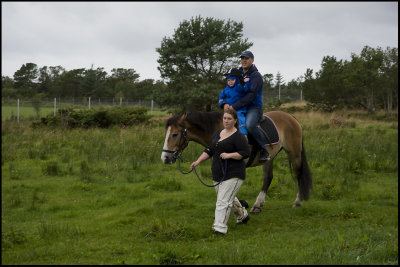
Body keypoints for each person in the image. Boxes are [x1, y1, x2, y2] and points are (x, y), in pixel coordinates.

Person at [190, 109, 250, 235]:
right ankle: (242, 215)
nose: (226, 121)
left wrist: (230, 155)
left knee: (223, 201)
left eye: (229, 119)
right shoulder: (218, 133)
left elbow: (245, 153)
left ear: (235, 121)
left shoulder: (238, 136)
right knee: (228, 198)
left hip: (234, 174)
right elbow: (209, 150)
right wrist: (198, 161)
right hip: (218, 174)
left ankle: (219, 229)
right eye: (225, 118)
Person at [225, 50, 270, 162]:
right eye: (242, 58)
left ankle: (264, 150)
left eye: (247, 58)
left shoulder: (256, 76)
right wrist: (226, 103)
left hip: (253, 107)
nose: (244, 60)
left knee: (249, 125)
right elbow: (229, 88)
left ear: (252, 60)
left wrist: (234, 106)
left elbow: (251, 96)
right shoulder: (238, 73)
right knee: (225, 122)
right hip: (238, 106)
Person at [218, 68, 249, 136]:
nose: (230, 82)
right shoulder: (225, 90)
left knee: (240, 119)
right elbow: (221, 97)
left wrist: (242, 81)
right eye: (228, 80)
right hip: (228, 110)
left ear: (237, 80)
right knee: (223, 120)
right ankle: (223, 135)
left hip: (239, 110)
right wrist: (224, 104)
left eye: (232, 80)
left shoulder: (238, 87)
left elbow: (244, 88)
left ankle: (243, 135)